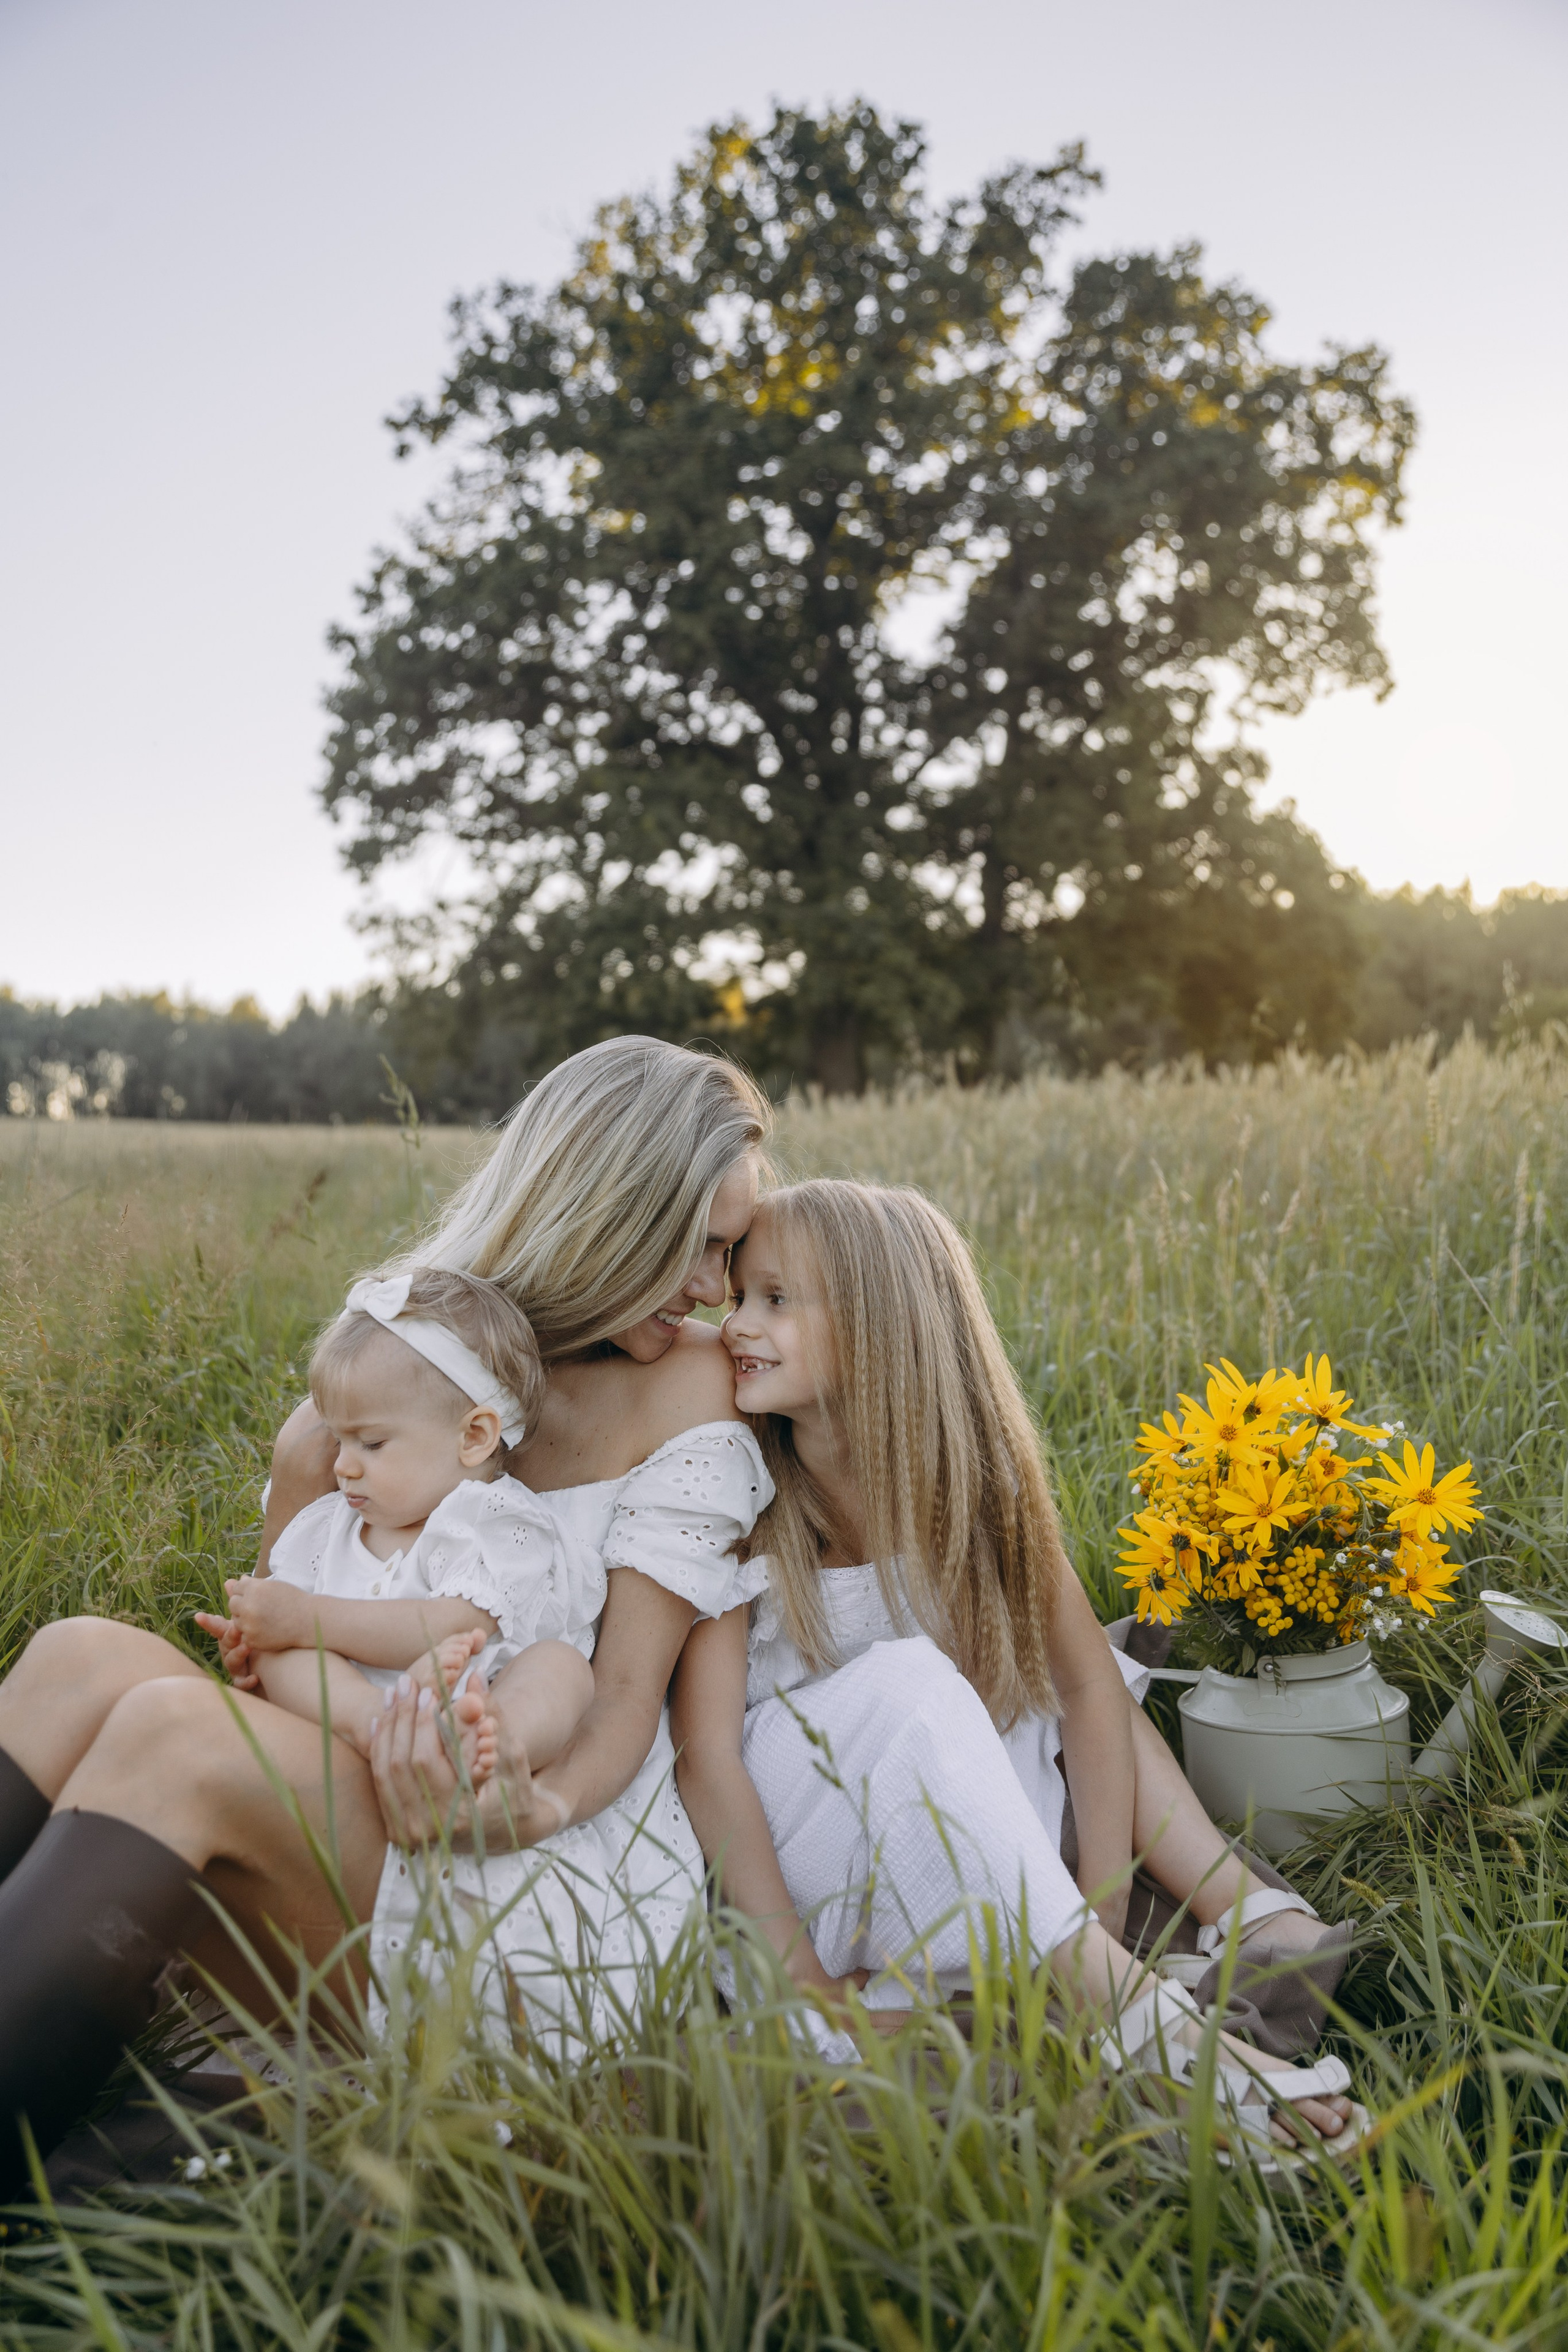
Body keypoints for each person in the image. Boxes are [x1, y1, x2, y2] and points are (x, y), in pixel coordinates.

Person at [0, 1037, 771, 2195]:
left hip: (539, 1857)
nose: (717, 1287)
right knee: (75, 1659)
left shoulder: (693, 1385)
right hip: (376, 1763)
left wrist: (522, 1802)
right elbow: (277, 1660)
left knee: (175, 1733)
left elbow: (620, 1700)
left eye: (732, 1252)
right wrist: (305, 1472)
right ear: (611, 1210)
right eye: (702, 1245)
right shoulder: (413, 1362)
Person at [670, 1180, 1368, 2163]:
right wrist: (795, 1978)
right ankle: (1167, 2043)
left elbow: (1087, 1689)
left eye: (776, 1300)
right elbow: (708, 1763)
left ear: (880, 1327)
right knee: (915, 1684)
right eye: (741, 1297)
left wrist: (1102, 1900)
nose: (736, 1325)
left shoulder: (972, 1489)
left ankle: (1145, 1961)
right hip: (800, 1857)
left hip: (945, 1838)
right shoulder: (738, 1488)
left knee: (1049, 1685)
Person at [195, 1267, 601, 1785]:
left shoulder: (497, 1524)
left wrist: (306, 1618)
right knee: (282, 1654)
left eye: (372, 1444)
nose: (343, 1466)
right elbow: (288, 1626)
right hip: (348, 1710)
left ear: (475, 1436)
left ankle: (484, 1745)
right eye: (339, 1441)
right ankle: (373, 1721)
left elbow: (454, 1627)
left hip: (475, 1696)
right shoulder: (328, 1529)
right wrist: (258, 1642)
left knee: (562, 1668)